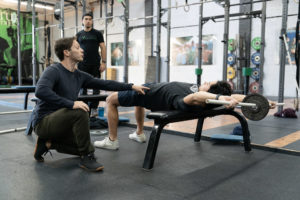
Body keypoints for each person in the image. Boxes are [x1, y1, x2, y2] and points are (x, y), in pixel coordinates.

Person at [32, 37, 148, 172]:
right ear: (67, 52)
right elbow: (40, 91)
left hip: (63, 123)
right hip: (43, 122)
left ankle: (46, 144)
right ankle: (87, 157)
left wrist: (131, 86)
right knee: (80, 111)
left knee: (83, 145)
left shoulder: (79, 75)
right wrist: (71, 103)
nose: (82, 50)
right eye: (77, 47)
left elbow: (105, 83)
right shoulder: (54, 70)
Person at [94, 81, 277, 150]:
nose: (204, 82)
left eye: (208, 83)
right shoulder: (207, 97)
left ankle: (112, 140)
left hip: (150, 93)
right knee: (137, 100)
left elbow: (197, 96)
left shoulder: (191, 99)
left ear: (210, 93)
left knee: (111, 99)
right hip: (153, 89)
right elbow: (235, 97)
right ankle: (140, 133)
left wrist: (220, 97)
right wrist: (262, 101)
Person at [76, 13, 106, 117]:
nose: (88, 21)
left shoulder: (97, 33)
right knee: (82, 87)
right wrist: (74, 63)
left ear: (92, 21)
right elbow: (75, 49)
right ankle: (84, 109)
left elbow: (103, 48)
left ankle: (93, 108)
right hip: (82, 65)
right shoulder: (78, 35)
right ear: (82, 21)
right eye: (86, 19)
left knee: (96, 87)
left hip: (95, 65)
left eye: (90, 19)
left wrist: (104, 62)